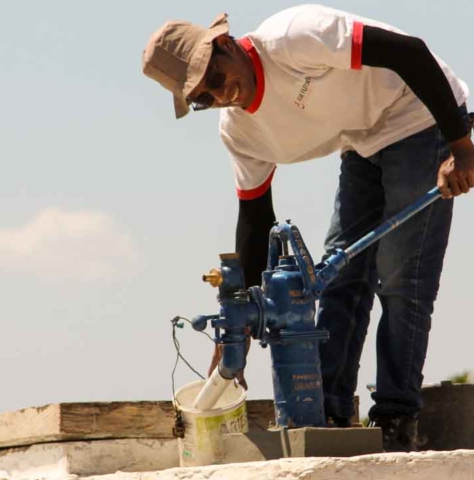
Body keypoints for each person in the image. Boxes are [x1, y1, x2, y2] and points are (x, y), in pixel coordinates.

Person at [141, 5, 474, 451]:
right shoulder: (241, 132)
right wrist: (237, 320)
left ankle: (396, 417)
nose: (219, 97)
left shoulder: (294, 37)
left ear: (225, 45)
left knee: (401, 278)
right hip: (362, 137)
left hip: (419, 114)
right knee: (335, 278)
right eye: (202, 99)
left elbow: (410, 53)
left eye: (215, 81)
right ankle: (331, 414)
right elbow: (256, 218)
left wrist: (461, 146)